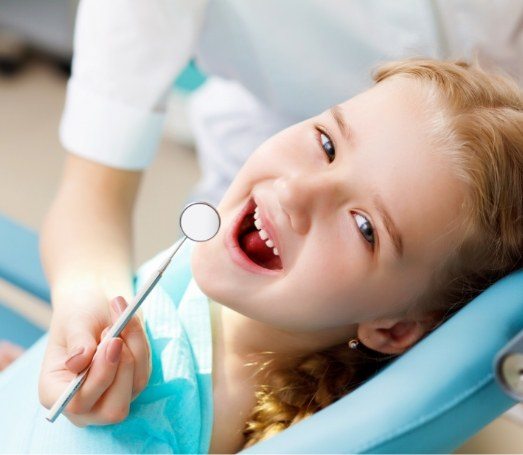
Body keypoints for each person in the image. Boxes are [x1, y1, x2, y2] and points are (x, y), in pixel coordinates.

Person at [0, 59, 522, 453]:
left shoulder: (165, 428)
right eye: (327, 144)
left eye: (365, 227)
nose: (297, 192)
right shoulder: (206, 278)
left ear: (391, 329)